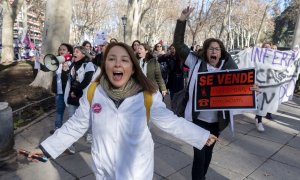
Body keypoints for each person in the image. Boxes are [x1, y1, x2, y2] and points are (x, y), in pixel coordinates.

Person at [28, 42, 218, 179]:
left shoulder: (147, 94)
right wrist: (46, 149)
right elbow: (76, 125)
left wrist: (200, 135)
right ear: (105, 66)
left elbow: (170, 121)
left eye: (124, 60)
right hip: (104, 169)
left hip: (137, 170)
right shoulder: (93, 91)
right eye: (112, 59)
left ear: (133, 68)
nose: (117, 64)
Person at [173, 7, 259, 180]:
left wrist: (252, 90)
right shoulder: (195, 61)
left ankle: (202, 176)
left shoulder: (229, 69)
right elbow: (178, 44)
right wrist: (182, 20)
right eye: (211, 48)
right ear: (206, 51)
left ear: (221, 52)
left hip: (217, 122)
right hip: (197, 119)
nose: (214, 51)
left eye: (218, 49)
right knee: (199, 153)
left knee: (208, 152)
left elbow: (241, 88)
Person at [64, 46, 95, 152]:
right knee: (72, 121)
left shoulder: (88, 64)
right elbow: (68, 80)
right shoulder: (72, 64)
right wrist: (65, 71)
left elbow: (87, 80)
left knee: (86, 120)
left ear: (83, 54)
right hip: (72, 97)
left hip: (82, 97)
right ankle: (71, 145)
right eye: (74, 51)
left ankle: (90, 135)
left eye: (77, 51)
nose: (74, 53)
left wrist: (76, 92)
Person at [254, 42, 274, 132]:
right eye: (265, 47)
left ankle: (259, 120)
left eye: (269, 47)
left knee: (263, 104)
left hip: (268, 85)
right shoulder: (257, 57)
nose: (267, 49)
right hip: (258, 84)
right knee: (257, 102)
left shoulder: (274, 58)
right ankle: (258, 119)